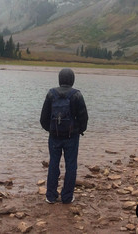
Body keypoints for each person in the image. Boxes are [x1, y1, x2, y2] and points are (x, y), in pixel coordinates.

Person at [40, 68, 88, 204]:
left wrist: (51, 130)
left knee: (53, 164)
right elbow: (84, 117)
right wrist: (79, 130)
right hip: (72, 137)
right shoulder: (77, 94)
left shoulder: (51, 93)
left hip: (54, 136)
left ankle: (51, 196)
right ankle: (67, 197)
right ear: (72, 80)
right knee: (71, 165)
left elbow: (43, 118)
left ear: (59, 79)